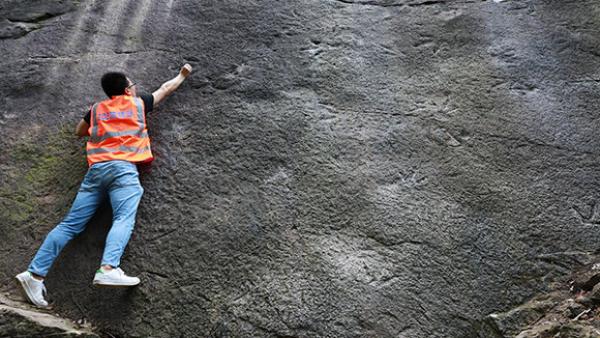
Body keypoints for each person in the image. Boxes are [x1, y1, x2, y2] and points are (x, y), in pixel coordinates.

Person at [15, 64, 193, 307]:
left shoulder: (96, 109)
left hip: (96, 171)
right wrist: (183, 75)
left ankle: (34, 274)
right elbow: (166, 89)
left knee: (69, 225)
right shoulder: (137, 103)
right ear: (127, 90)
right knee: (123, 217)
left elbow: (80, 131)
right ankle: (108, 267)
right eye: (132, 84)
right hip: (123, 169)